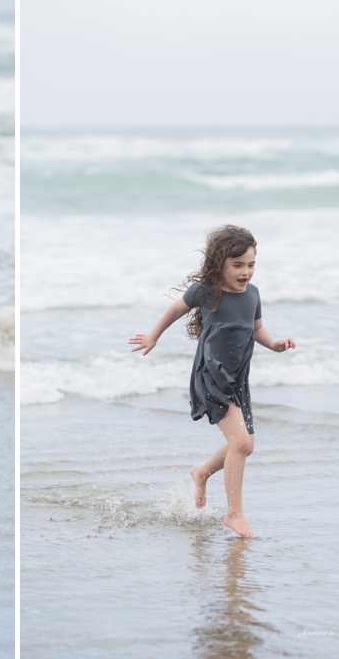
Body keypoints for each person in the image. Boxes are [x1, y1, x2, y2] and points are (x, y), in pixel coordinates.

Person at [129, 225, 295, 538]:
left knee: (246, 445)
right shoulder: (207, 290)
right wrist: (153, 335)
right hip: (211, 375)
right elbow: (177, 308)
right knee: (242, 443)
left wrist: (275, 345)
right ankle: (234, 513)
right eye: (238, 265)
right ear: (220, 264)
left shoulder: (253, 295)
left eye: (251, 264)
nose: (246, 272)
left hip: (237, 380)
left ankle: (201, 472)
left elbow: (257, 329)